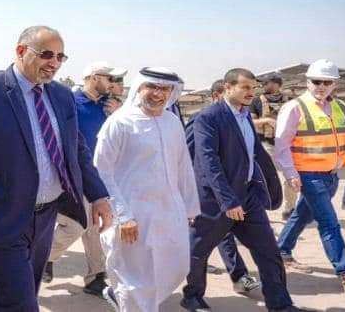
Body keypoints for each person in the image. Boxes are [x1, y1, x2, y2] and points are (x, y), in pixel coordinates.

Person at [0, 26, 113, 312]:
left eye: (60, 57)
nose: (54, 62)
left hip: (46, 218)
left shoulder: (62, 96)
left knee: (24, 294)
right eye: (46, 54)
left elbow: (76, 150)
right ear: (21, 51)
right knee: (20, 303)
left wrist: (98, 195)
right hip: (1, 218)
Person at [181, 68, 302, 312]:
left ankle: (280, 304)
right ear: (228, 87)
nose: (251, 92)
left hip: (247, 198)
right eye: (245, 87)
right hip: (216, 201)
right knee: (198, 250)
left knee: (269, 251)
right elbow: (207, 161)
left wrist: (273, 182)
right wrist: (228, 200)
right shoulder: (208, 117)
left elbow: (254, 153)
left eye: (253, 88)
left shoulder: (245, 116)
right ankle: (192, 296)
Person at [275, 59, 345, 295]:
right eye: (317, 81)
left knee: (302, 215)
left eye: (327, 82)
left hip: (332, 176)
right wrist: (291, 173)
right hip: (308, 176)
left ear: (335, 84)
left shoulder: (340, 107)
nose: (322, 86)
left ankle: (281, 251)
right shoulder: (295, 107)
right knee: (329, 223)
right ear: (307, 82)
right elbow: (281, 145)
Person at [94, 67, 201, 311]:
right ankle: (127, 300)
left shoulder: (172, 122)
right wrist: (123, 215)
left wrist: (189, 207)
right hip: (133, 213)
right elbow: (101, 170)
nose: (158, 94)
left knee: (175, 266)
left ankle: (119, 294)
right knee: (135, 277)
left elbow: (183, 165)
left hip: (169, 210)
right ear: (139, 88)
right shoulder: (120, 122)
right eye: (152, 86)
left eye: (165, 89)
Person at [43, 61, 127, 297]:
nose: (113, 84)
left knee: (96, 226)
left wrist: (119, 113)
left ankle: (96, 276)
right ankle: (44, 257)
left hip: (101, 177)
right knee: (76, 226)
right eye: (109, 78)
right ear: (93, 78)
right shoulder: (70, 102)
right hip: (74, 176)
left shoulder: (110, 105)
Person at [185, 79, 261, 295]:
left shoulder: (240, 120)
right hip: (207, 191)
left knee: (223, 234)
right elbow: (189, 154)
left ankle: (239, 276)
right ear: (216, 96)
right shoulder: (202, 118)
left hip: (230, 190)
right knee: (205, 238)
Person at [250, 73, 295, 220]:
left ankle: (289, 209)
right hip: (265, 145)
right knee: (264, 177)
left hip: (286, 145)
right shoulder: (257, 100)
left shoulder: (290, 101)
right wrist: (267, 120)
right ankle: (259, 210)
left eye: (266, 82)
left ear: (276, 84)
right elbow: (251, 122)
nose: (263, 85)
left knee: (290, 176)